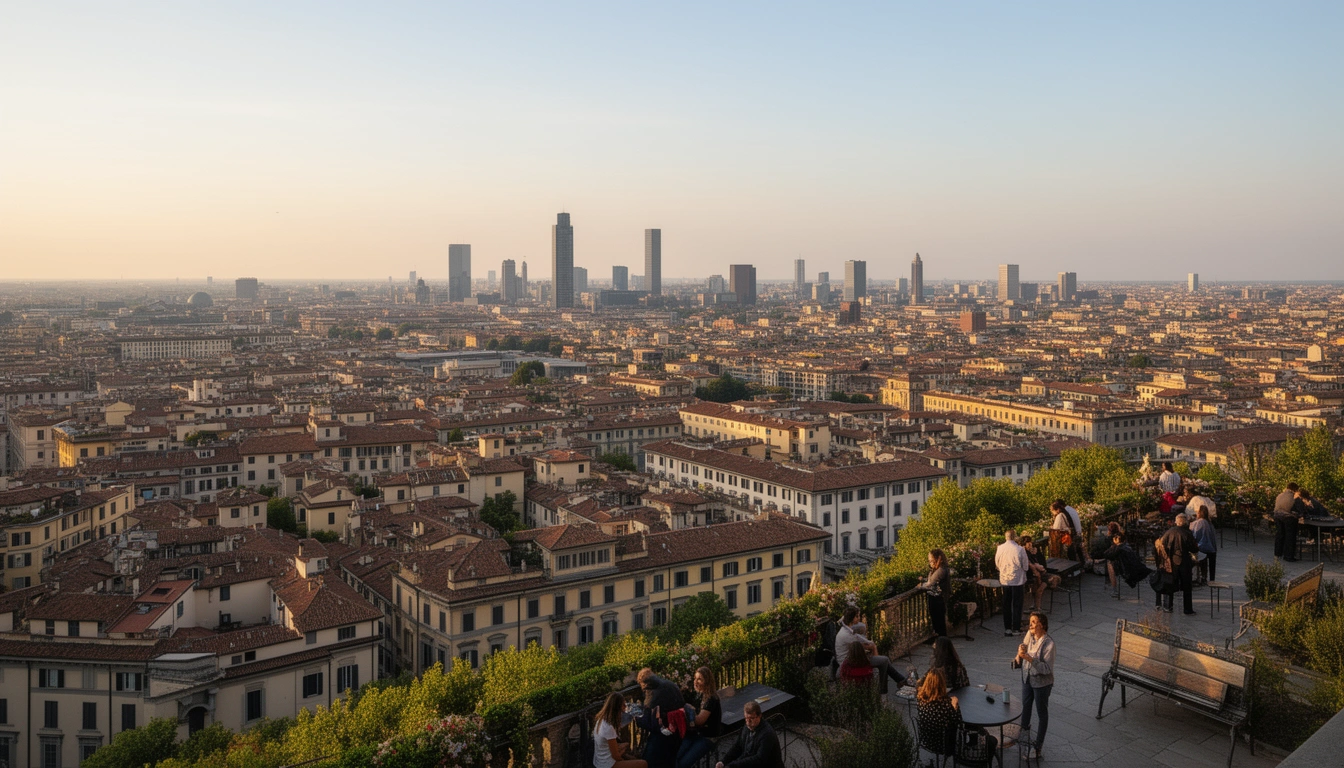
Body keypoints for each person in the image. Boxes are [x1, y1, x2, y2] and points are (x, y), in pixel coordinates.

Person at [916, 668, 998, 762]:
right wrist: (955, 705)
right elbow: (958, 721)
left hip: (926, 739)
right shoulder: (944, 703)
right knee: (985, 736)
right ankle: (976, 745)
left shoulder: (920, 699)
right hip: (944, 745)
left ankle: (973, 741)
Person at [834, 606, 906, 693]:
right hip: (849, 662)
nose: (859, 618)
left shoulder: (847, 630)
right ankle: (884, 688)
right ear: (853, 618)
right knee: (884, 660)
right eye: (858, 616)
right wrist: (874, 648)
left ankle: (900, 680)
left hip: (853, 658)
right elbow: (866, 645)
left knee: (884, 661)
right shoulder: (846, 635)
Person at [1013, 612, 1055, 761]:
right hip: (1027, 679)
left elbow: (1046, 669)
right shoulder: (1029, 636)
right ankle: (1023, 738)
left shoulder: (1049, 644)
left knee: (1042, 713)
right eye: (1030, 621)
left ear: (1041, 625)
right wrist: (1019, 654)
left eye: (1033, 622)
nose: (1030, 625)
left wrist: (1030, 659)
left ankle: (1038, 747)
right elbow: (1022, 651)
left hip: (1042, 684)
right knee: (1026, 707)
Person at [636, 668, 686, 768]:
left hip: (663, 735)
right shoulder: (670, 684)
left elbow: (648, 722)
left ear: (644, 684)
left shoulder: (652, 693)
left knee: (649, 759)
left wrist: (636, 715)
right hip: (677, 731)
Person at [675, 666, 722, 768]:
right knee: (674, 756)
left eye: (699, 679)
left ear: (707, 681)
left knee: (683, 763)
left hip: (707, 737)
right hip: (694, 733)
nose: (696, 682)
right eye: (695, 678)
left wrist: (689, 710)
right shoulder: (697, 694)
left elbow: (700, 720)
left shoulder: (711, 699)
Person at [715, 700, 783, 768]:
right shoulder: (747, 727)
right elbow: (738, 746)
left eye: (751, 718)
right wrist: (723, 761)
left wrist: (733, 765)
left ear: (759, 716)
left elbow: (759, 759)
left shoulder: (767, 734)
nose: (748, 722)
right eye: (746, 718)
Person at [1156, 514, 1199, 615]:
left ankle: (1168, 606)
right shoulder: (1187, 533)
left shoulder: (1169, 531)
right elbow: (1194, 548)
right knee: (1187, 586)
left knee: (1170, 583)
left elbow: (1161, 544)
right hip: (1184, 561)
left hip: (1172, 562)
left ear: (1176, 522)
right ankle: (1187, 609)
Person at [594, 692, 648, 768]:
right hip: (607, 764)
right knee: (643, 763)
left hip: (600, 760)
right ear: (617, 707)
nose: (625, 707)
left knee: (625, 746)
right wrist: (624, 759)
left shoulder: (602, 719)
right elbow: (616, 756)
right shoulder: (608, 727)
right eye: (623, 705)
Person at [994, 530, 1030, 636]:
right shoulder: (1020, 549)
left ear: (1006, 537)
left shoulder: (1000, 548)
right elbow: (1025, 565)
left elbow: (997, 564)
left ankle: (1007, 628)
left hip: (1005, 580)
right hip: (1018, 580)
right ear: (1015, 537)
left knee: (1006, 604)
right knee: (1017, 604)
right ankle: (1016, 628)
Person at [1103, 532, 1151, 596]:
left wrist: (1112, 547)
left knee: (1109, 563)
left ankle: (1114, 590)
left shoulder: (1118, 548)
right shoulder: (1127, 547)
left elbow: (1106, 554)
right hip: (1133, 568)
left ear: (1117, 539)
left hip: (1125, 570)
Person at [1021, 536, 1059, 613]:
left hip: (1041, 575)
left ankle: (1036, 607)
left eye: (1030, 543)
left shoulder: (1033, 552)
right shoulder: (1025, 553)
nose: (1030, 545)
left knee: (1039, 589)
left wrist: (1036, 555)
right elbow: (1031, 565)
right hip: (1034, 575)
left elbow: (1041, 564)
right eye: (1028, 543)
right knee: (1038, 588)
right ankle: (1036, 607)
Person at [923, 548, 951, 638]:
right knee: (937, 621)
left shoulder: (941, 570)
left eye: (931, 560)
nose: (930, 562)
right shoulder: (937, 569)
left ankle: (942, 642)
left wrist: (920, 586)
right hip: (935, 598)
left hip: (938, 599)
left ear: (937, 559)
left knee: (939, 622)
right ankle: (940, 640)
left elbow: (931, 583)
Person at [1189, 505, 1218, 584]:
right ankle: (1212, 579)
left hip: (1202, 547)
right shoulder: (1209, 523)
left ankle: (1203, 577)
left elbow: (1195, 535)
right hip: (1212, 548)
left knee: (1201, 561)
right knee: (1212, 565)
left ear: (1199, 513)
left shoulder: (1198, 523)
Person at [1273, 482, 1301, 561]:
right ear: (1295, 489)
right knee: (1290, 537)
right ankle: (1288, 556)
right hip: (1288, 517)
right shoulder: (1293, 496)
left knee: (1280, 535)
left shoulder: (1280, 495)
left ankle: (1277, 554)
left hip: (1277, 516)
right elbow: (1294, 509)